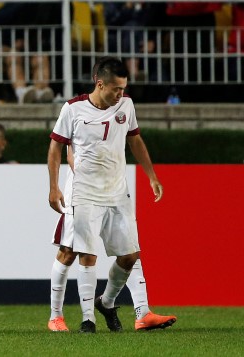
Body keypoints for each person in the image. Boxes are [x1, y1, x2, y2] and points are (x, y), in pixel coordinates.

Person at [47, 56, 176, 333]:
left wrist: (151, 175)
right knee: (77, 253)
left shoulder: (126, 105)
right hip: (83, 192)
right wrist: (54, 186)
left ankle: (109, 304)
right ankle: (81, 320)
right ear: (100, 83)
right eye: (116, 88)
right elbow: (56, 147)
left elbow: (135, 139)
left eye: (123, 88)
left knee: (130, 256)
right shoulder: (73, 109)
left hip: (117, 192)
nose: (121, 94)